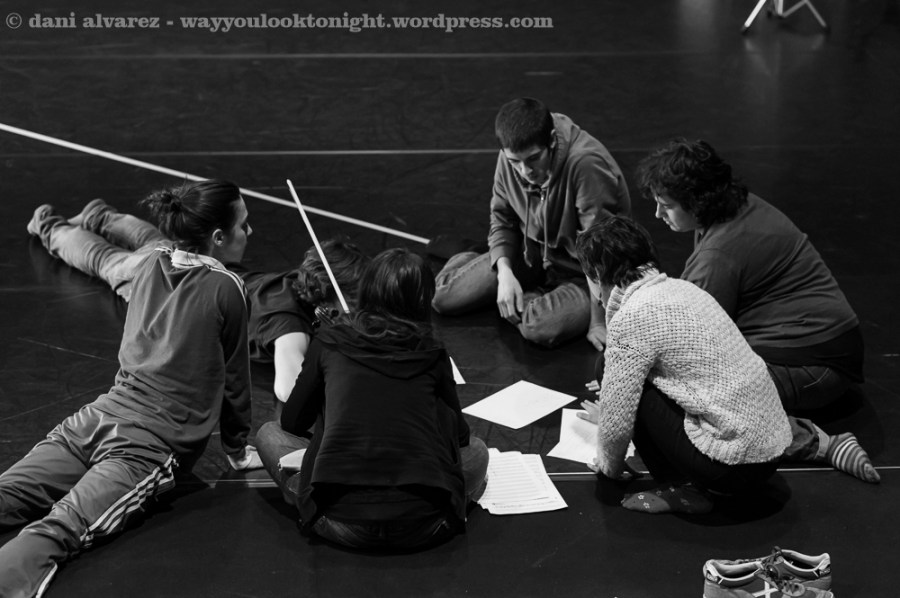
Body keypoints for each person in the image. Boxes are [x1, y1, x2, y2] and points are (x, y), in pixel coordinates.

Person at [2, 180, 262, 596]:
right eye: (244, 224)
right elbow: (235, 379)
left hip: (93, 420)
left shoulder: (152, 260)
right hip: (148, 446)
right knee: (61, 528)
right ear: (218, 237)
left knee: (8, 492)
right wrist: (237, 448)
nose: (250, 232)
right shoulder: (228, 287)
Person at [636, 138, 879, 484]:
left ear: (697, 202)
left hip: (814, 368)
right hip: (828, 353)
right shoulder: (738, 206)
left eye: (666, 205)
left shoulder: (719, 253)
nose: (658, 215)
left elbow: (685, 341)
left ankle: (817, 443)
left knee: (681, 395)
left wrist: (628, 380)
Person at [25, 196, 368, 406]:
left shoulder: (300, 281)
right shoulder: (289, 326)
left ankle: (99, 215)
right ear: (330, 294)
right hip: (168, 292)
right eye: (351, 298)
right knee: (105, 261)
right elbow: (287, 389)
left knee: (155, 242)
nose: (355, 306)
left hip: (199, 265)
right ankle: (48, 225)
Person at [256, 248, 489, 551]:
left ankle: (310, 494)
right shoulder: (432, 352)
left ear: (366, 290)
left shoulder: (329, 341)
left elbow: (292, 421)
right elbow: (461, 437)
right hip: (425, 524)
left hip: (336, 521)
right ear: (422, 300)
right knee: (478, 450)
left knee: (269, 434)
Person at [575, 216, 792, 514]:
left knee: (611, 372)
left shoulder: (633, 314)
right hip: (771, 453)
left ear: (598, 274)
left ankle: (683, 486)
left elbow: (616, 422)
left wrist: (608, 466)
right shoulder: (684, 289)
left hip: (729, 466)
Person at [431, 97, 631, 349]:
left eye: (533, 158)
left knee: (538, 326)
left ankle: (519, 294)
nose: (525, 171)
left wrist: (599, 322)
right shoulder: (509, 156)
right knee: (442, 298)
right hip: (532, 253)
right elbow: (502, 219)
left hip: (582, 273)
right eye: (515, 162)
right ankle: (489, 267)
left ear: (551, 140)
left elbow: (601, 252)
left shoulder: (586, 164)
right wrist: (505, 273)